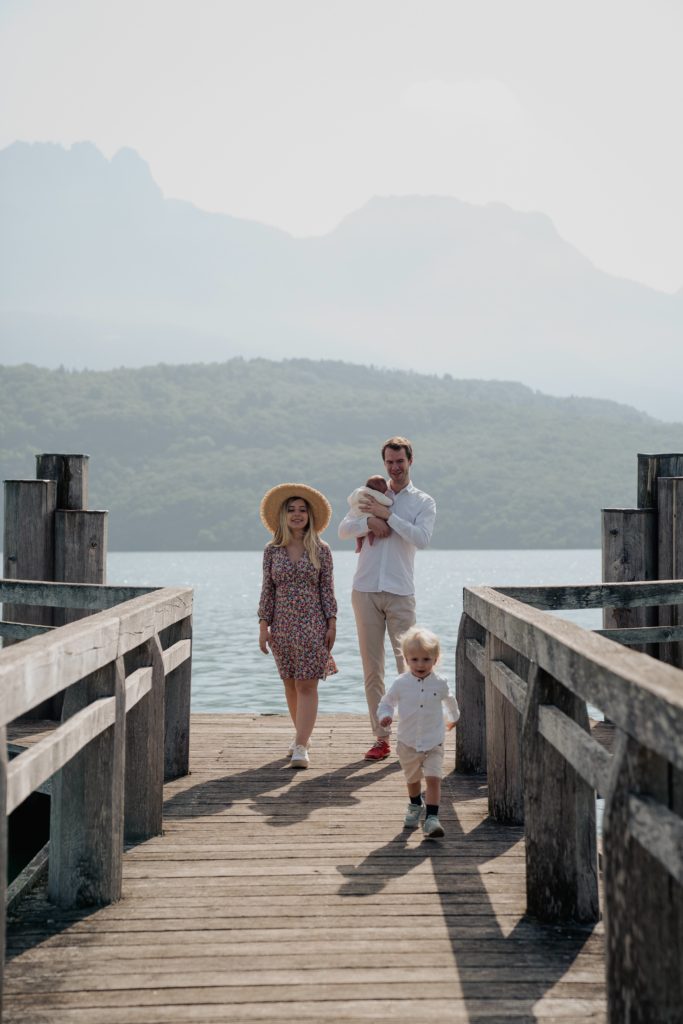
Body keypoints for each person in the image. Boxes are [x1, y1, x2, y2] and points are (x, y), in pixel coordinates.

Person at [338, 436, 436, 761]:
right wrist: (370, 519)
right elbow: (343, 528)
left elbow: (421, 539)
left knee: (408, 668)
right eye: (390, 462)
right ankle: (381, 738)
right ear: (385, 463)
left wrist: (389, 516)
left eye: (400, 462)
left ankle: (411, 737)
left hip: (400, 593)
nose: (395, 467)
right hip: (364, 590)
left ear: (410, 461)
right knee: (372, 669)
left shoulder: (423, 501)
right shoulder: (368, 494)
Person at [258, 482, 338, 769]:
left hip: (313, 624)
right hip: (281, 626)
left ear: (310, 515)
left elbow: (327, 590)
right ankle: (301, 737)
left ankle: (302, 746)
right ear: (282, 515)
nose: (297, 514)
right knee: (290, 684)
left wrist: (332, 623)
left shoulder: (321, 549)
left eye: (302, 510)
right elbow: (267, 590)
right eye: (291, 510)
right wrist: (263, 626)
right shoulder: (272, 551)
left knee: (306, 685)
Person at [377, 627, 459, 838]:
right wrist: (384, 716)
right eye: (414, 659)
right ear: (406, 659)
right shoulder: (401, 684)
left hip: (434, 741)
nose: (420, 664)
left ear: (435, 659)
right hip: (408, 741)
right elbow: (386, 703)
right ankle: (415, 804)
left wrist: (454, 718)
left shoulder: (440, 683)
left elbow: (450, 700)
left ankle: (432, 818)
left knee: (434, 778)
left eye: (426, 659)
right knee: (412, 779)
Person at [347, 475, 394, 552]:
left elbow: (349, 499)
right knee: (373, 529)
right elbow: (386, 501)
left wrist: (354, 505)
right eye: (383, 491)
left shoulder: (358, 490)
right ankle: (371, 540)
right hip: (369, 515)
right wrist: (390, 501)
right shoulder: (374, 494)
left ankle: (359, 546)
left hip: (358, 515)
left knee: (359, 536)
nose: (384, 493)